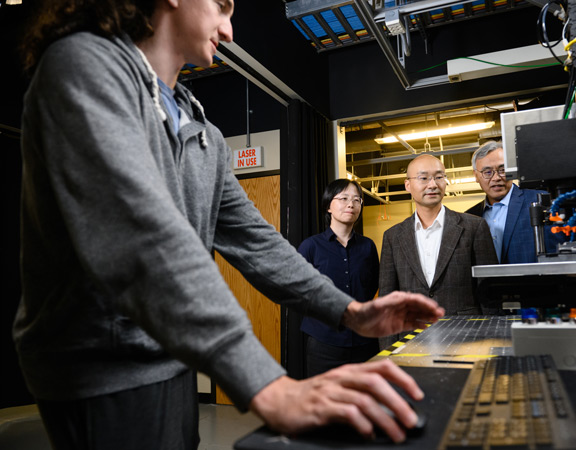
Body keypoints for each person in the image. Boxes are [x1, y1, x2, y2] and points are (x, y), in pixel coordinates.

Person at [13, 1, 445, 448]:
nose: (230, 30)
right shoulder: (81, 65)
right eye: (222, 6)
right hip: (104, 366)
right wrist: (268, 385)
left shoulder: (202, 131)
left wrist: (347, 312)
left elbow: (259, 243)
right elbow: (143, 240)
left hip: (173, 354)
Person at [379, 154, 497, 346]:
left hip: (466, 336)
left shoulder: (474, 227)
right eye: (423, 178)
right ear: (408, 185)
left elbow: (489, 292)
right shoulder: (393, 236)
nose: (432, 184)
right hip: (411, 339)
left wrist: (491, 341)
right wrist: (388, 352)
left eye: (439, 177)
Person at [299, 179, 380, 377]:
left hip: (364, 342)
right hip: (324, 342)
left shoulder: (368, 247)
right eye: (343, 198)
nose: (351, 204)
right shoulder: (311, 247)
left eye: (356, 200)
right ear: (328, 206)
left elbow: (371, 287)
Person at [465, 140, 560, 264]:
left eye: (502, 170)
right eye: (487, 172)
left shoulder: (540, 201)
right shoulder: (470, 217)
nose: (496, 178)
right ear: (476, 176)